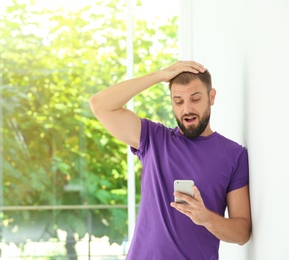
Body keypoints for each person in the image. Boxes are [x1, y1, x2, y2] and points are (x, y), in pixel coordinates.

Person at [89, 61, 251, 259]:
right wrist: (159, 76)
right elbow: (100, 105)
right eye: (179, 101)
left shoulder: (234, 155)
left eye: (195, 98)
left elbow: (242, 233)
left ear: (211, 97)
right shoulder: (152, 139)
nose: (187, 109)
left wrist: (206, 218)